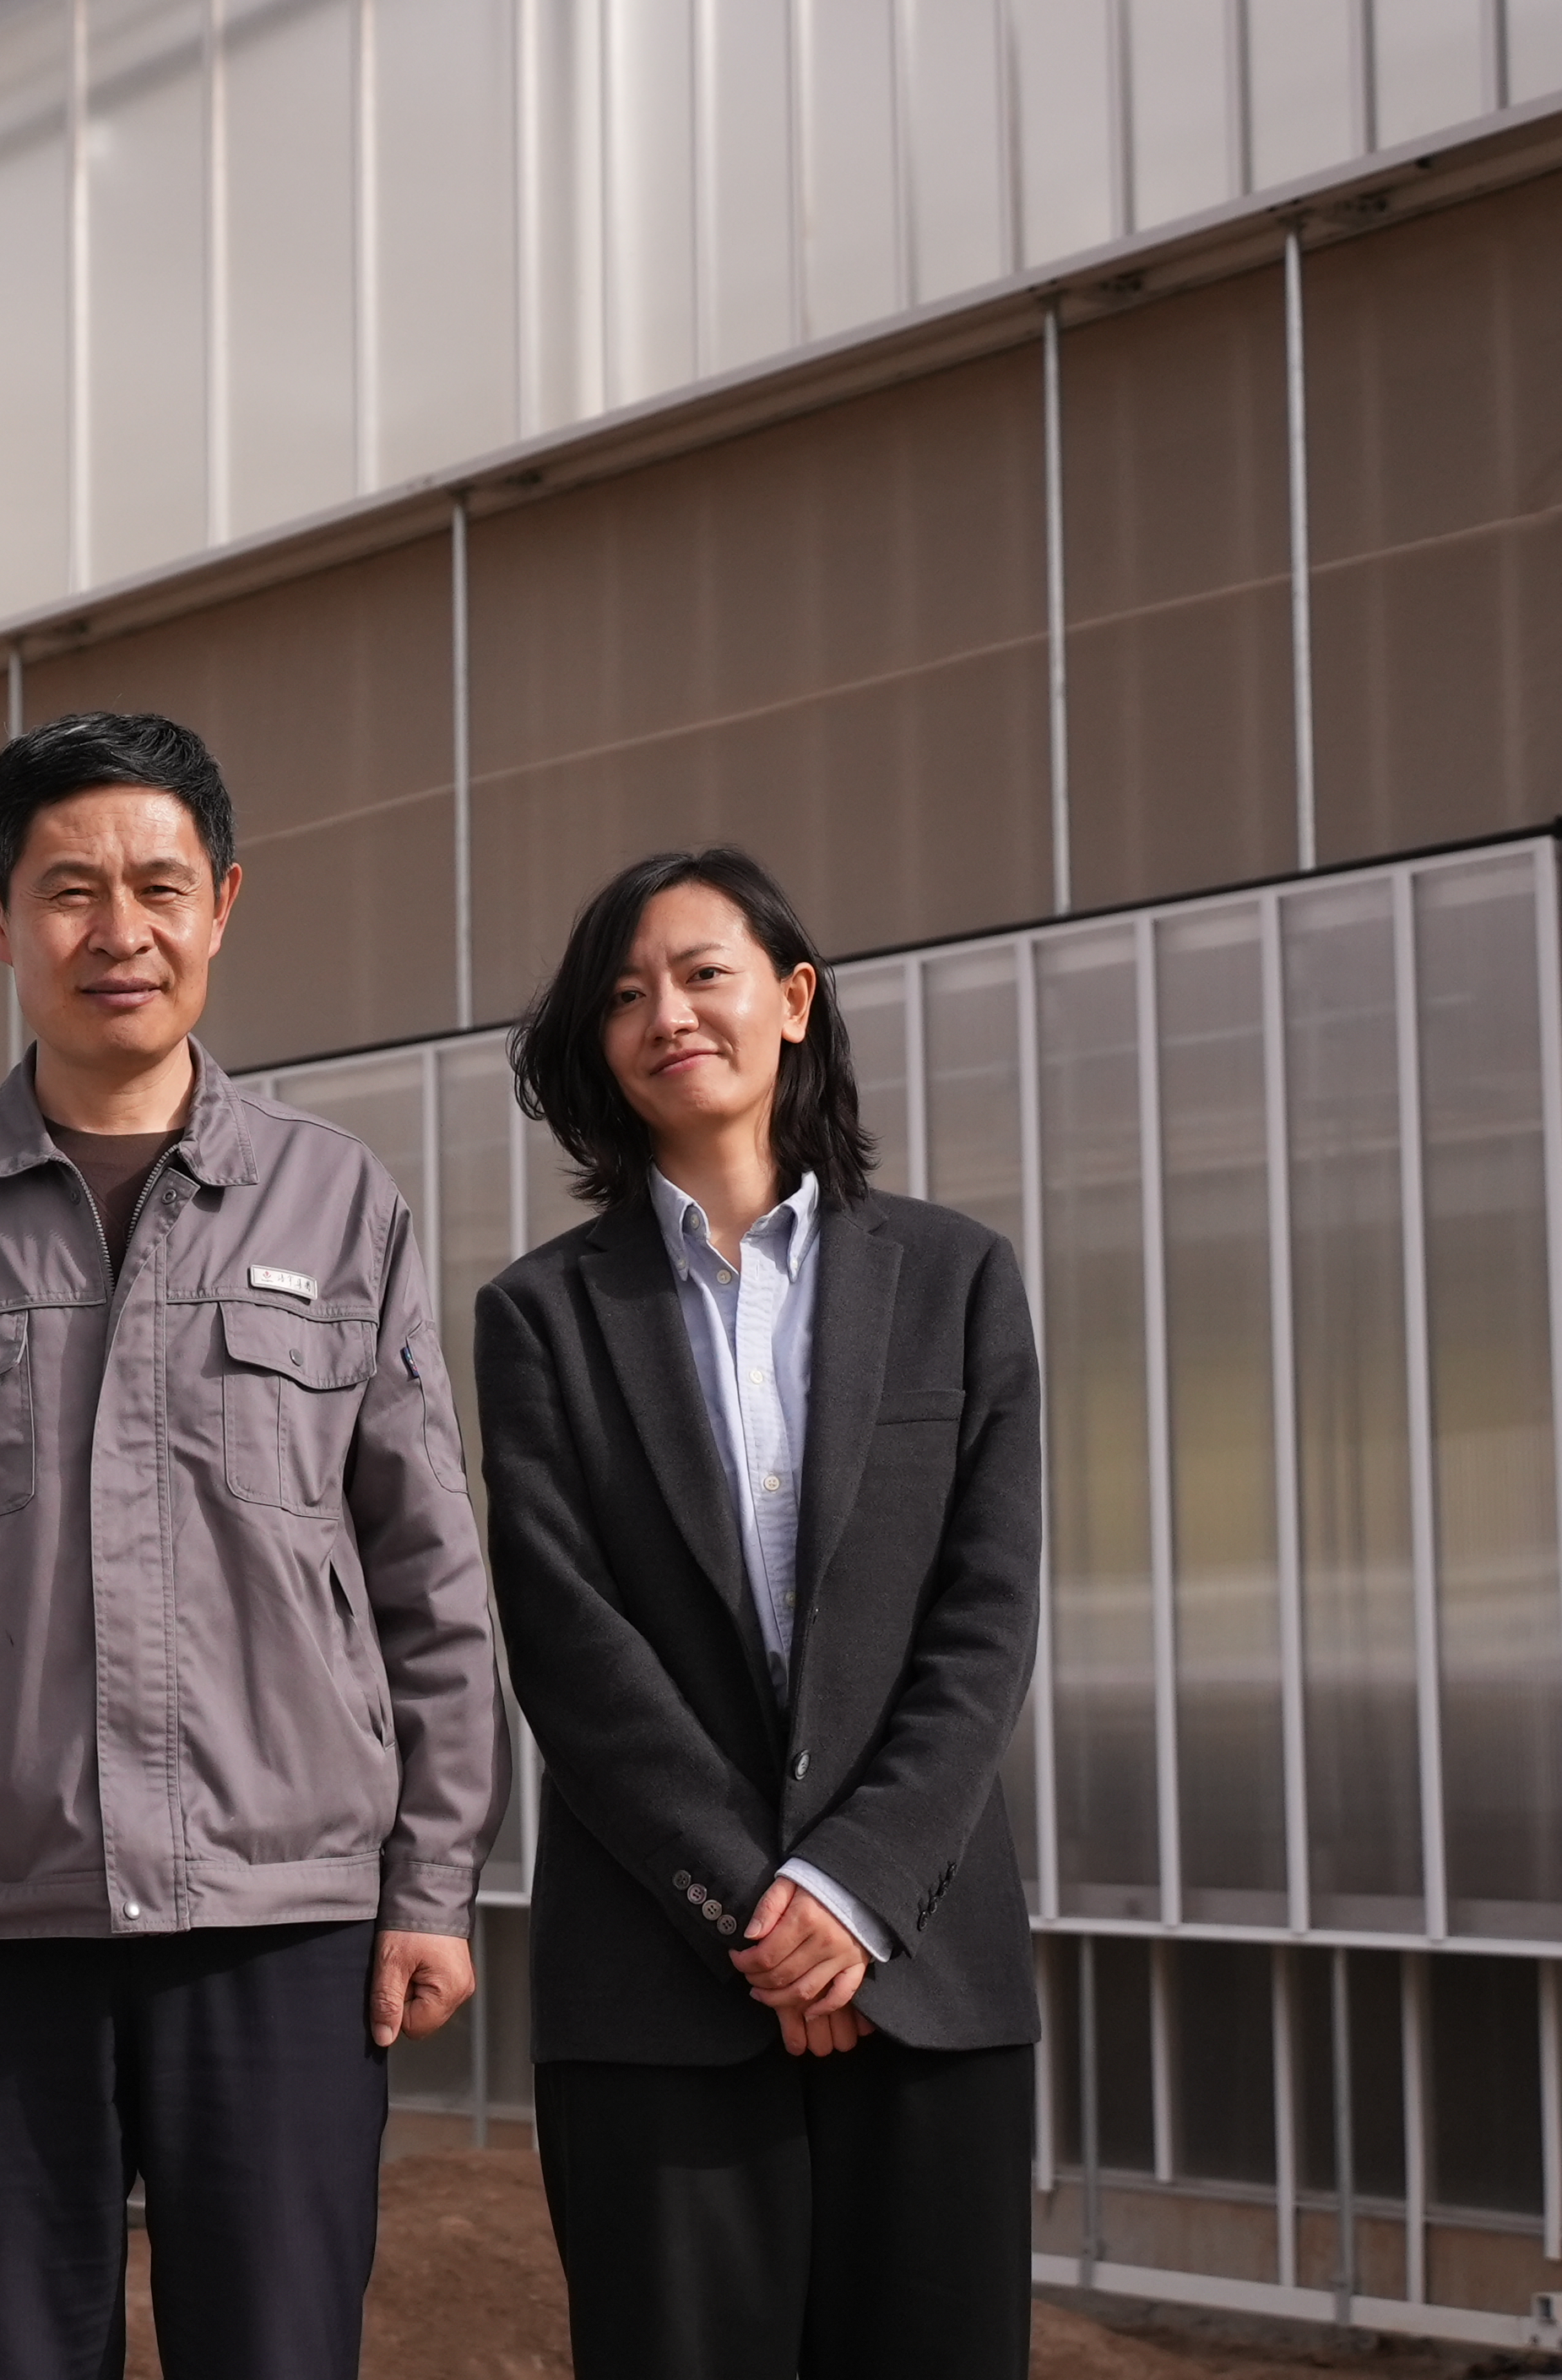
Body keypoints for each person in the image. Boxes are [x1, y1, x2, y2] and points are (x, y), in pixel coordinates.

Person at [0, 710, 502, 2380]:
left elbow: (427, 1579)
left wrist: (431, 1881)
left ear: (221, 903)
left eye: (158, 886)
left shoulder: (333, 1203)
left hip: (283, 1913)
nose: (119, 932)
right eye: (69, 890)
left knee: (278, 2351)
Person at [474, 847, 1042, 2380]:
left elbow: (984, 1622)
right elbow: (570, 1641)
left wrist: (850, 1893)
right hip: (662, 1990)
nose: (669, 1013)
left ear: (791, 1000)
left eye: (704, 974)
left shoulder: (956, 1279)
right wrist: (756, 1912)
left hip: (925, 1972)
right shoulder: (540, 1317)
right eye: (624, 995)